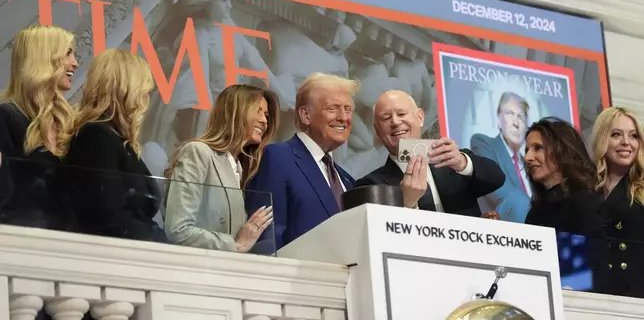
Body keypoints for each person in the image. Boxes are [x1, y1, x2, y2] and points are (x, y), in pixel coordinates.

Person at [65, 49, 167, 243]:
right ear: (125, 90)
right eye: (143, 91)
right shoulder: (96, 136)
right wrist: (163, 247)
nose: (146, 99)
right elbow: (109, 216)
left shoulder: (115, 138)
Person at [246, 73, 358, 250]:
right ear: (306, 115)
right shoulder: (277, 158)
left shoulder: (347, 180)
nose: (343, 117)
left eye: (348, 109)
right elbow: (267, 239)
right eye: (333, 108)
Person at [164, 85, 278, 252]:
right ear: (234, 112)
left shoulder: (242, 169)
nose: (265, 121)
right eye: (258, 111)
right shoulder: (198, 152)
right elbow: (178, 229)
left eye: (266, 115)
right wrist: (235, 245)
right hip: (197, 271)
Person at [356, 90, 505, 216]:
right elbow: (378, 235)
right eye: (386, 118)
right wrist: (407, 204)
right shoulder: (370, 185)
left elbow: (496, 179)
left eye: (401, 114)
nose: (395, 122)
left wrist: (462, 163)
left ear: (420, 118)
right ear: (377, 131)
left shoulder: (452, 162)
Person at [0, 25, 77, 230]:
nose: (75, 63)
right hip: (24, 243)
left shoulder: (68, 122)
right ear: (43, 58)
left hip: (72, 242)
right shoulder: (6, 117)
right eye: (68, 53)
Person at [592, 107, 644, 298]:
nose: (626, 143)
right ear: (601, 138)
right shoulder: (584, 191)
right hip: (593, 298)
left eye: (633, 136)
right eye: (616, 134)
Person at [523, 118, 604, 236]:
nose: (527, 158)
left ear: (563, 150)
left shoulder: (589, 202)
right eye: (526, 150)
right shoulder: (534, 214)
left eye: (538, 148)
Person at [471, 92, 532, 223]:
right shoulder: (483, 144)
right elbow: (497, 189)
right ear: (499, 119)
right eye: (510, 113)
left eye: (521, 117)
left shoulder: (531, 165)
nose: (516, 123)